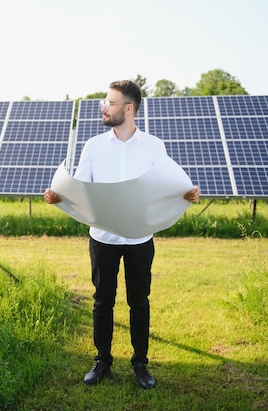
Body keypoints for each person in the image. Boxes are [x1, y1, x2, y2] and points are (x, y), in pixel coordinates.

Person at [44, 80, 200, 389]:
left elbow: (166, 185)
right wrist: (60, 196)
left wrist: (188, 194)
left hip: (140, 238)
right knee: (103, 301)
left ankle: (140, 364)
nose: (104, 107)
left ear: (128, 108)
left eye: (110, 103)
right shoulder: (94, 145)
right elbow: (82, 187)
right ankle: (102, 361)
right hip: (103, 238)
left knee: (139, 301)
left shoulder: (154, 146)